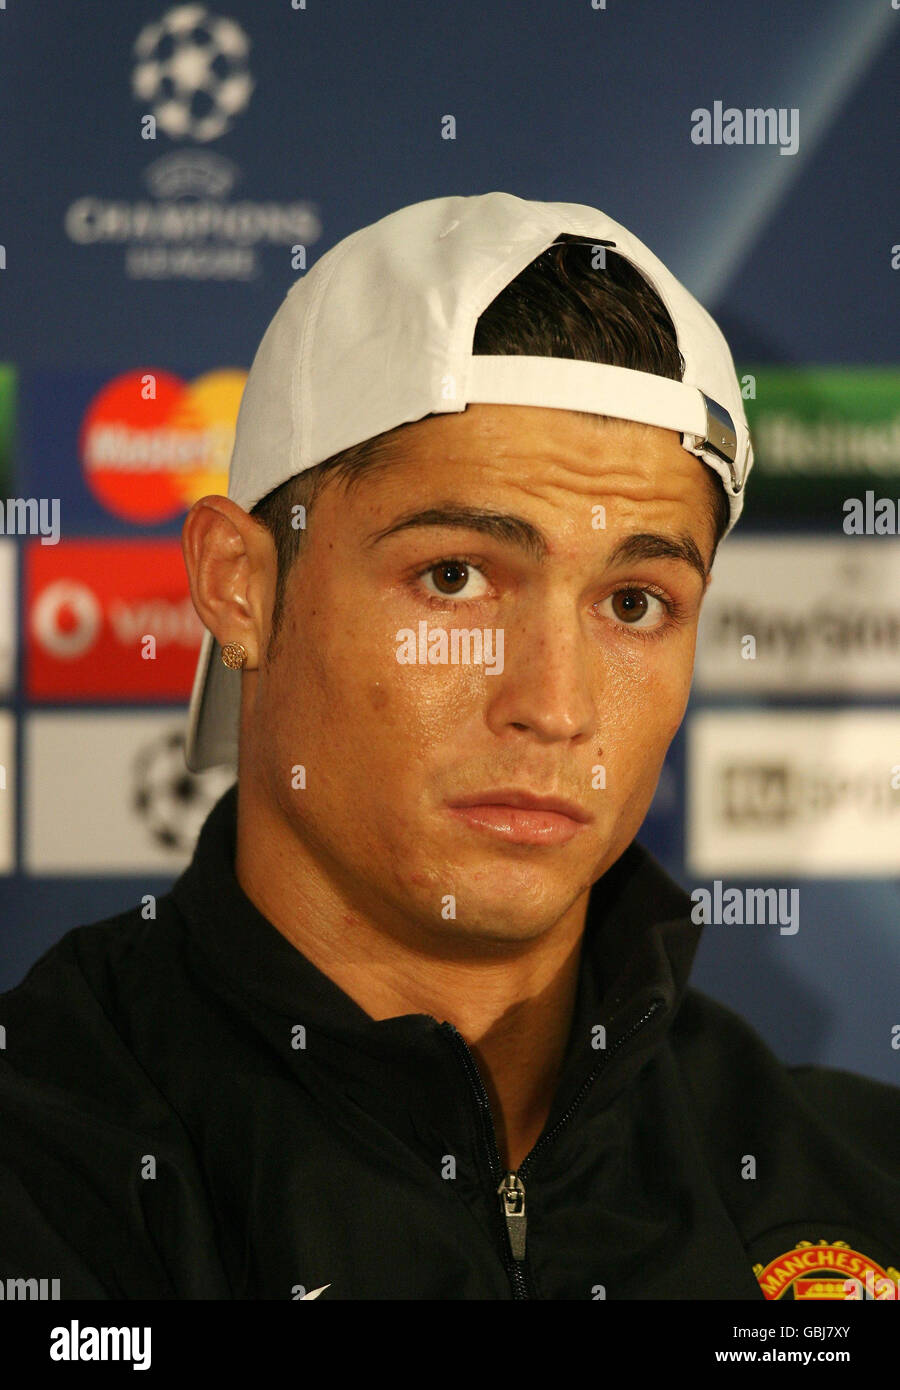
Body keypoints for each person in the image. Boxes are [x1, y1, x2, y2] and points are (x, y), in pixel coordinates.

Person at [1, 193, 898, 1301]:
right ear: (239, 586)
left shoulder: (856, 1187)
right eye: (456, 577)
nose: (553, 705)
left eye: (633, 601)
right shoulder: (45, 1167)